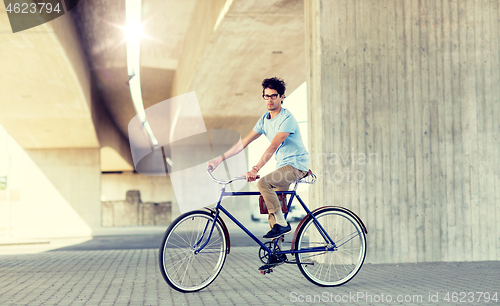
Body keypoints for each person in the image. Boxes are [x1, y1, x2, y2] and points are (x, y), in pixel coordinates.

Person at [207, 77, 309, 243]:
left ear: (282, 97)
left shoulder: (286, 119)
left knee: (263, 183)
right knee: (273, 208)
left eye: (273, 96)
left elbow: (273, 146)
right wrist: (219, 160)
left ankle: (283, 225)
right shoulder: (264, 120)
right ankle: (276, 252)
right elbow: (244, 142)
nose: (269, 100)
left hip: (296, 167)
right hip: (282, 167)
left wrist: (255, 169)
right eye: (266, 96)